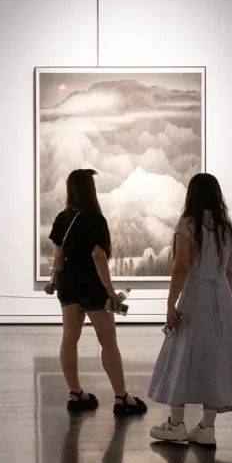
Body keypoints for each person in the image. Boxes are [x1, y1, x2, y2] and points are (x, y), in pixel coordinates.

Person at [148, 173, 232, 446]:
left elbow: (181, 267)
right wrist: (228, 305)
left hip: (195, 296)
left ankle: (176, 423)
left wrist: (170, 304)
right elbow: (228, 271)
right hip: (221, 296)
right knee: (216, 358)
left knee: (180, 355)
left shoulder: (189, 223)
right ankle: (207, 427)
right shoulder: (225, 227)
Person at [45, 168, 147, 417]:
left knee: (69, 340)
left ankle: (75, 393)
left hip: (68, 285)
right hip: (92, 287)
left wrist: (54, 280)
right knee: (108, 341)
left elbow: (58, 255)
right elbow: (98, 256)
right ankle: (121, 397)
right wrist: (110, 292)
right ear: (90, 190)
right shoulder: (95, 219)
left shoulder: (62, 218)